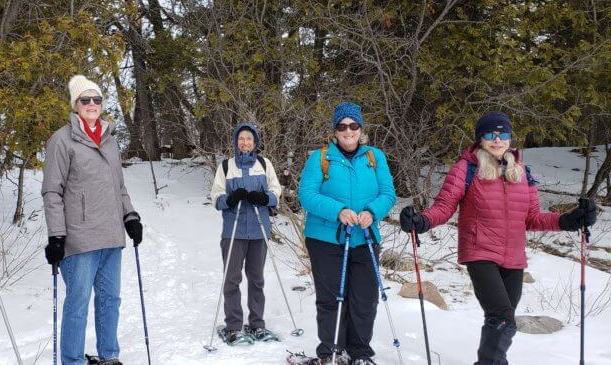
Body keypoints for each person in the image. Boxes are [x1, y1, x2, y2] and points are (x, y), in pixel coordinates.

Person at [399, 111, 598, 365]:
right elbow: (444, 206)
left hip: (513, 257)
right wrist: (422, 221)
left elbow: (533, 218)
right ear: (480, 138)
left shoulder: (522, 173)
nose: (497, 139)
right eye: (490, 134)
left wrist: (569, 220)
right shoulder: (466, 169)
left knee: (503, 322)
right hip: (480, 252)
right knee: (502, 317)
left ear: (510, 137)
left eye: (503, 133)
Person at [41, 75, 143, 365]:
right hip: (79, 238)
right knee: (78, 303)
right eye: (85, 99)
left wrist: (131, 216)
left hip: (111, 236)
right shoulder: (61, 140)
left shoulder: (110, 139)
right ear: (75, 105)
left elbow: (118, 186)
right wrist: (57, 236)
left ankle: (109, 356)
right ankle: (72, 361)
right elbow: (52, 191)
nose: (91, 104)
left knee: (110, 300)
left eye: (96, 99)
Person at [298, 102, 397, 364]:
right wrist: (338, 210)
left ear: (361, 129)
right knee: (331, 299)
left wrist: (372, 212)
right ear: (335, 131)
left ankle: (359, 353)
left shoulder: (375, 157)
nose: (348, 131)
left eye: (353, 125)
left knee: (364, 300)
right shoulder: (319, 157)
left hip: (365, 238)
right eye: (342, 126)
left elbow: (388, 194)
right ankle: (332, 351)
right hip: (326, 239)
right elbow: (306, 195)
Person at [210, 123, 283, 345]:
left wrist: (265, 198)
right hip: (234, 231)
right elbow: (216, 197)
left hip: (259, 231)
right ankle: (233, 326)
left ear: (255, 142)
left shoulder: (264, 164)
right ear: (235, 141)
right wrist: (230, 199)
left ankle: (257, 323)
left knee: (257, 279)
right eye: (241, 138)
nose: (245, 142)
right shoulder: (225, 166)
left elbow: (276, 191)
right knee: (232, 279)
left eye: (249, 139)